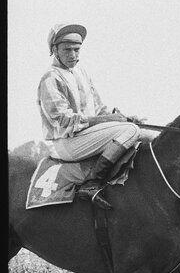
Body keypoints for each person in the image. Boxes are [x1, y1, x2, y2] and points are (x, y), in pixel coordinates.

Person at [38, 23, 140, 210]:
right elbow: (63, 119)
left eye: (77, 50)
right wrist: (111, 121)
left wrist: (122, 117)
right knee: (131, 131)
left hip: (87, 136)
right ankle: (91, 184)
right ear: (54, 50)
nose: (73, 55)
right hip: (65, 142)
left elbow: (100, 110)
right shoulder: (50, 78)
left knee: (145, 134)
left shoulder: (82, 73)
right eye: (67, 50)